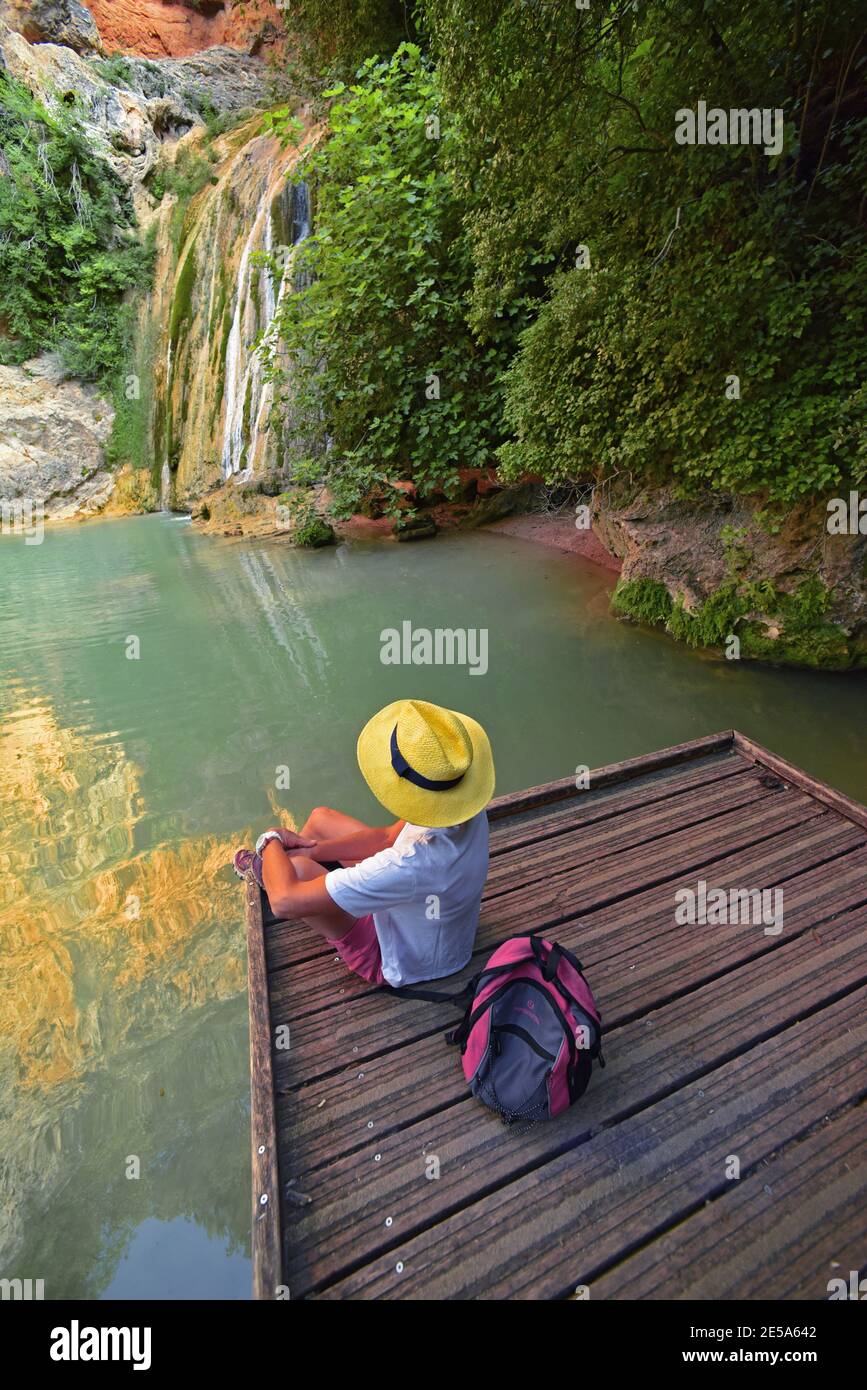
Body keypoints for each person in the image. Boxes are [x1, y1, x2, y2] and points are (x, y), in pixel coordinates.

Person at [233, 698, 495, 988]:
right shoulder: (462, 805)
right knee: (321, 820)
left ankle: (274, 872)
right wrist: (312, 847)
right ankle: (305, 873)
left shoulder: (410, 864)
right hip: (440, 935)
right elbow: (386, 838)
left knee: (298, 871)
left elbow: (283, 904)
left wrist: (270, 840)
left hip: (400, 960)